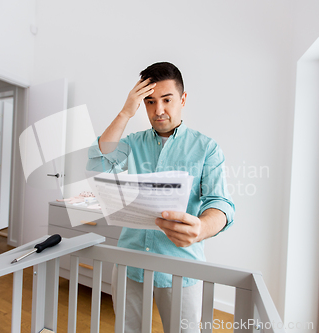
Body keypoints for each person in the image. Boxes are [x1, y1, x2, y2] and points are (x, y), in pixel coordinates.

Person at [87, 62, 235, 332]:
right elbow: (98, 164)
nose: (158, 110)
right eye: (150, 101)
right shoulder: (133, 143)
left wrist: (201, 228)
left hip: (182, 266)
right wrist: (125, 112)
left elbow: (221, 204)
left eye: (167, 100)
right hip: (130, 262)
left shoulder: (207, 148)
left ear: (183, 99)